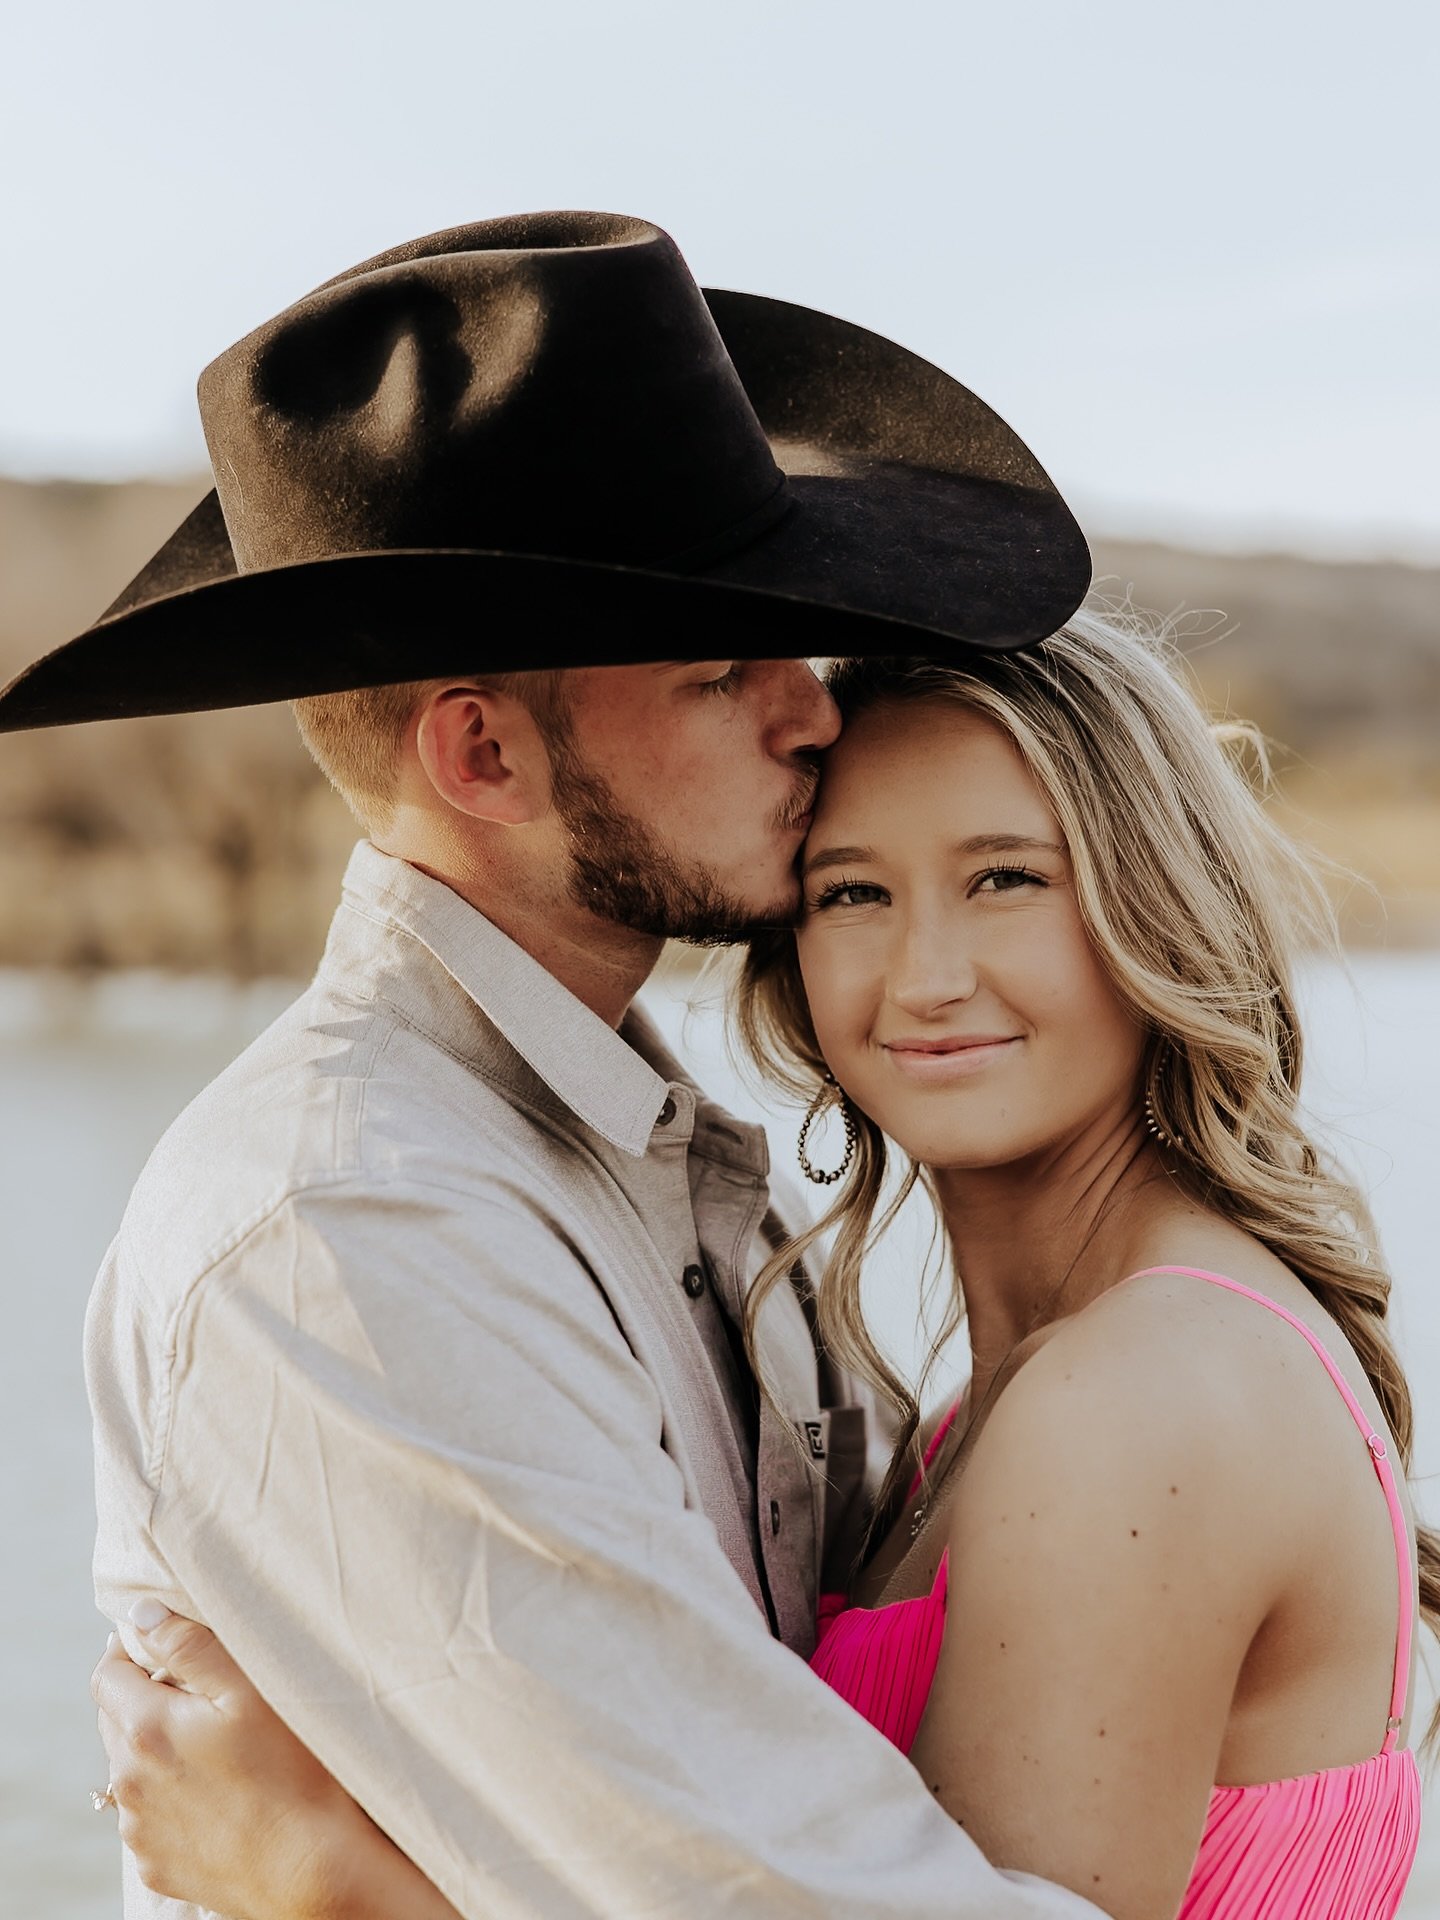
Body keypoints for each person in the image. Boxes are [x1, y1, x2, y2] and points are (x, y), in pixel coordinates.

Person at [2, 211, 1101, 1918]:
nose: (814, 711)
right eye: (724, 670)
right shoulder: (355, 1228)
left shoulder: (638, 1149)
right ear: (484, 753)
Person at [94, 614, 1432, 1920]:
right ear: (481, 755)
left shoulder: (1138, 1396)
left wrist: (331, 1887)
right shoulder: (369, 1211)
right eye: (852, 892)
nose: (925, 977)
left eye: (1006, 879)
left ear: (1158, 901)